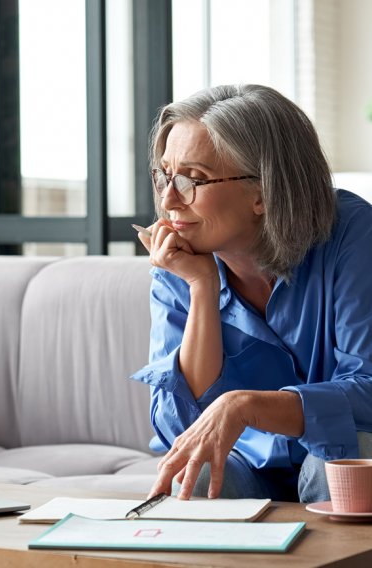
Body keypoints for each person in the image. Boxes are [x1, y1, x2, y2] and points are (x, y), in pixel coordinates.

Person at [130, 83, 372, 503]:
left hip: (346, 449)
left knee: (330, 466)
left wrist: (245, 405)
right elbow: (176, 427)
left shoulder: (352, 233)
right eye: (164, 175)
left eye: (193, 179)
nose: (169, 199)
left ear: (263, 191)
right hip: (248, 462)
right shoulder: (180, 258)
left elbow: (369, 389)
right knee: (197, 474)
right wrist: (202, 287)